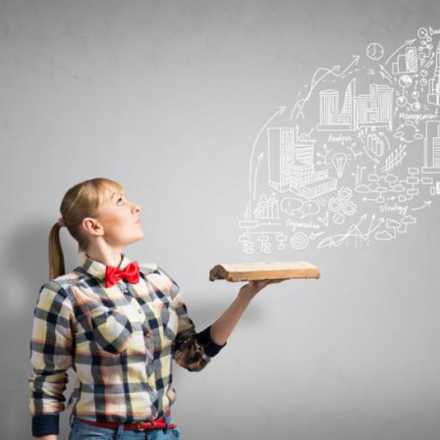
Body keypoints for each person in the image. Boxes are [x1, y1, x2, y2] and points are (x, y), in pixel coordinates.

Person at [28, 177, 284, 439]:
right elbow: (47, 383)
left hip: (162, 432)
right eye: (120, 201)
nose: (135, 207)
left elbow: (193, 357)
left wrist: (246, 295)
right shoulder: (62, 293)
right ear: (93, 226)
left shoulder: (158, 280)